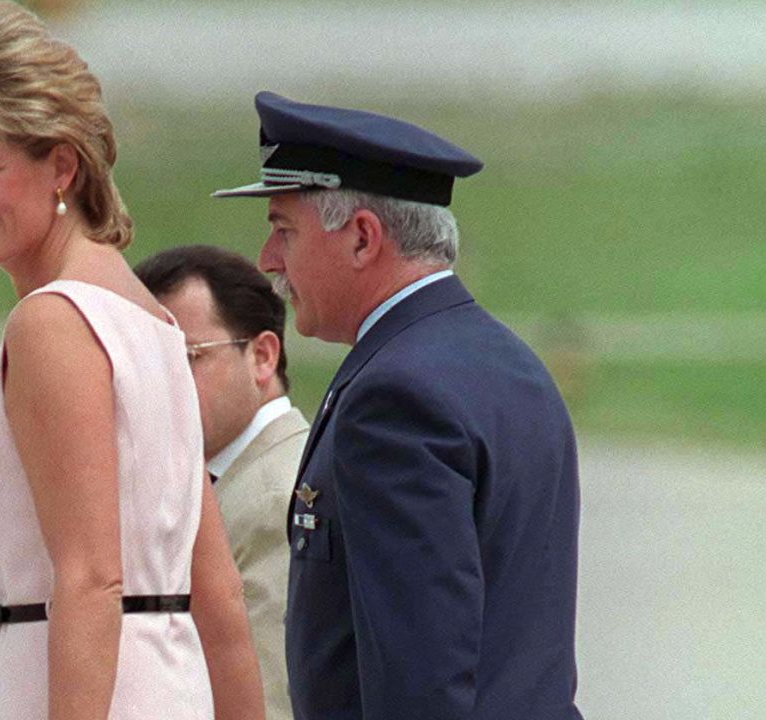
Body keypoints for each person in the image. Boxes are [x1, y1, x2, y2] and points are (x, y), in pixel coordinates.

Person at [0, 3, 264, 719]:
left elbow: (93, 579)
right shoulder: (150, 319)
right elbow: (216, 596)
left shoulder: (54, 325)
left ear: (61, 163)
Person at [212, 91, 583, 720]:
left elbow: (420, 681)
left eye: (283, 230)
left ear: (362, 238)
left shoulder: (394, 398)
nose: (268, 261)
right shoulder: (510, 364)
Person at [135, 245, 308, 720]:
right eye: (143, 365)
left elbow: (271, 701)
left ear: (262, 357)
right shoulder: (227, 480)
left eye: (183, 358)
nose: (157, 386)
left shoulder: (277, 500)